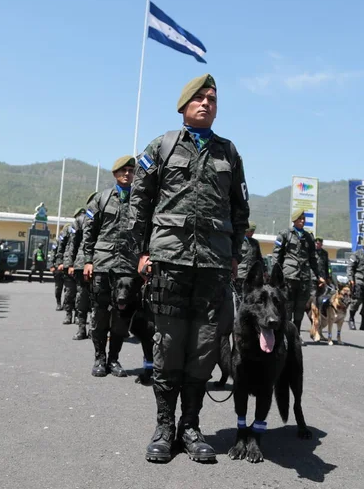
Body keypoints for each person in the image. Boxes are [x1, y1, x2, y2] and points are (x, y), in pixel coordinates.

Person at [128, 73, 250, 463]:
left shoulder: (228, 153)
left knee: (203, 348)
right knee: (167, 345)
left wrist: (234, 256)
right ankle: (165, 427)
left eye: (212, 98)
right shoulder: (161, 147)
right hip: (169, 263)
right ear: (183, 106)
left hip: (213, 266)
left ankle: (191, 426)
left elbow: (240, 210)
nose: (206, 103)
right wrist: (140, 253)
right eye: (199, 98)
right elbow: (138, 203)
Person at [83, 156, 148, 378]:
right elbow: (89, 232)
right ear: (115, 174)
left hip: (128, 268)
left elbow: (146, 233)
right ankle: (99, 359)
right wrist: (88, 260)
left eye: (131, 170)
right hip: (103, 265)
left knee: (122, 320)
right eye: (123, 170)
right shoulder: (100, 199)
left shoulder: (141, 201)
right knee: (100, 315)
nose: (128, 174)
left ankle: (114, 360)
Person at [272, 209, 325, 345]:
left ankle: (296, 336)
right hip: (289, 276)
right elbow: (277, 256)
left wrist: (319, 275)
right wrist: (275, 275)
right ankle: (285, 335)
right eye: (300, 218)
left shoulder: (308, 237)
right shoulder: (285, 234)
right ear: (294, 220)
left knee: (300, 309)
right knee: (288, 307)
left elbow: (313, 258)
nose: (302, 220)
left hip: (304, 277)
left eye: (304, 218)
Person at [67, 204, 93, 340]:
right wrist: (70, 263)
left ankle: (94, 330)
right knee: (82, 297)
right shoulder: (80, 220)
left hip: (100, 261)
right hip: (82, 263)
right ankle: (82, 328)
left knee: (96, 299)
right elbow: (74, 242)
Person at [235, 221, 267, 297]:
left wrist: (265, 270)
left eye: (253, 231)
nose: (252, 233)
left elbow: (259, 258)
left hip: (252, 275)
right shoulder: (238, 241)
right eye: (251, 231)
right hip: (240, 274)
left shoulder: (255, 243)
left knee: (250, 295)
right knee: (239, 296)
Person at [56, 223, 77, 325]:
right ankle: (68, 314)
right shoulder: (68, 229)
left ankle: (77, 315)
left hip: (79, 264)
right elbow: (61, 246)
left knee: (80, 293)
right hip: (67, 264)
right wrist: (59, 262)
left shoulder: (82, 227)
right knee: (69, 292)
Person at [50, 242, 64, 310]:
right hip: (58, 267)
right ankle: (58, 303)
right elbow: (53, 253)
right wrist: (51, 265)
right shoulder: (58, 241)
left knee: (69, 288)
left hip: (68, 266)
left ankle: (66, 304)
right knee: (58, 287)